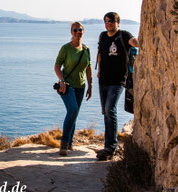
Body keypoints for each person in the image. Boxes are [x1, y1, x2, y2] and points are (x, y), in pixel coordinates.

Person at [96, 12, 139, 161]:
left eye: (112, 21)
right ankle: (108, 145)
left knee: (110, 110)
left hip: (119, 80)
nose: (109, 23)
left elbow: (134, 42)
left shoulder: (124, 35)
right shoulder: (102, 36)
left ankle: (110, 147)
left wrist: (142, 41)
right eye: (106, 21)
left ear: (118, 22)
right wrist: (99, 70)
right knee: (106, 112)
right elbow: (100, 54)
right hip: (103, 80)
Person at [54, 22, 92, 156]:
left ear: (83, 31)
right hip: (67, 86)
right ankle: (64, 143)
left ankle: (70, 142)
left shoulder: (86, 49)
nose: (78, 32)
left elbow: (88, 68)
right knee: (73, 109)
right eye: (75, 30)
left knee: (74, 114)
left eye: (80, 29)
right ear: (71, 32)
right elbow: (57, 66)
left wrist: (90, 86)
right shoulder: (66, 48)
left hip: (81, 86)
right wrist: (62, 81)